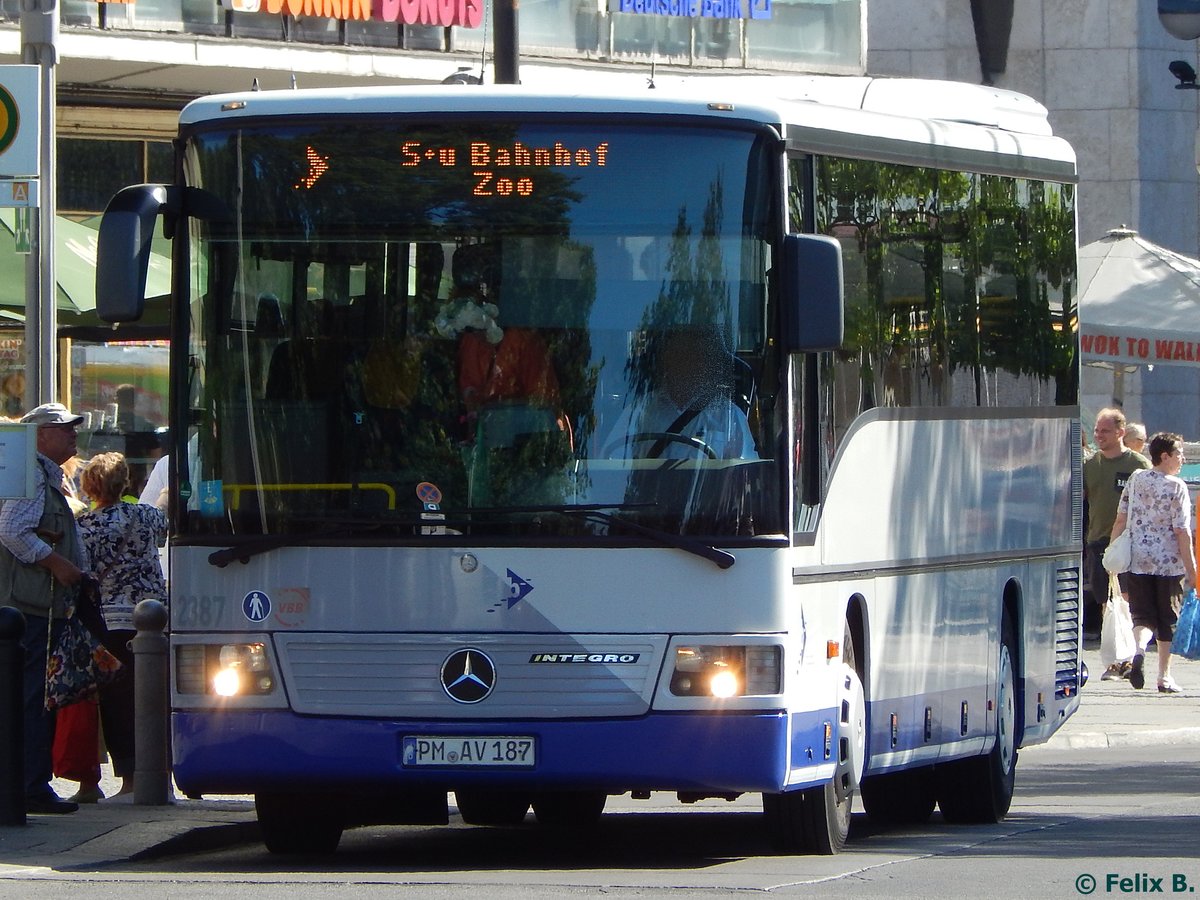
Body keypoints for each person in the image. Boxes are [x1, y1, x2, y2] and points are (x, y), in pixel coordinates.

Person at [0, 402, 91, 814]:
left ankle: (28, 784)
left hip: (33, 605)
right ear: (39, 436)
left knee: (32, 696)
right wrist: (58, 564)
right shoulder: (33, 474)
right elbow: (12, 530)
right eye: (64, 428)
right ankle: (31, 786)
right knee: (34, 697)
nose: (73, 433)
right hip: (31, 606)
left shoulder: (38, 474)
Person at [78, 451, 169, 796]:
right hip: (153, 620)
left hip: (109, 624)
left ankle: (128, 778)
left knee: (115, 703)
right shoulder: (145, 516)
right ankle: (158, 775)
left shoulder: (84, 525)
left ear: (89, 486)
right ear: (124, 482)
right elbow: (165, 515)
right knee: (153, 699)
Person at [1109, 432, 1197, 693]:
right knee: (1167, 619)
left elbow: (1120, 518)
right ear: (1165, 456)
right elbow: (1182, 531)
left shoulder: (1136, 478)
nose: (1182, 459)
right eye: (1179, 454)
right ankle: (1164, 676)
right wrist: (1192, 570)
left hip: (1138, 560)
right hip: (1169, 564)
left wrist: (1113, 554)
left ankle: (1139, 650)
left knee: (1142, 616)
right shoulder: (1176, 486)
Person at [606, 327, 758, 461]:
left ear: (706, 362)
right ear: (665, 359)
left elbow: (745, 473)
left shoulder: (730, 416)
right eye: (679, 354)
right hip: (648, 486)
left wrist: (732, 464)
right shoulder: (639, 412)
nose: (687, 363)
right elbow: (611, 466)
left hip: (709, 486)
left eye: (694, 355)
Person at [1083, 408, 1149, 654]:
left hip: (1130, 544)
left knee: (1128, 600)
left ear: (1121, 432)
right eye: (1097, 431)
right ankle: (1113, 656)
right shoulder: (1090, 465)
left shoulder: (1138, 465)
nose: (1099, 435)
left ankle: (1132, 654)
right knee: (1106, 602)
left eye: (1106, 431)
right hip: (1098, 542)